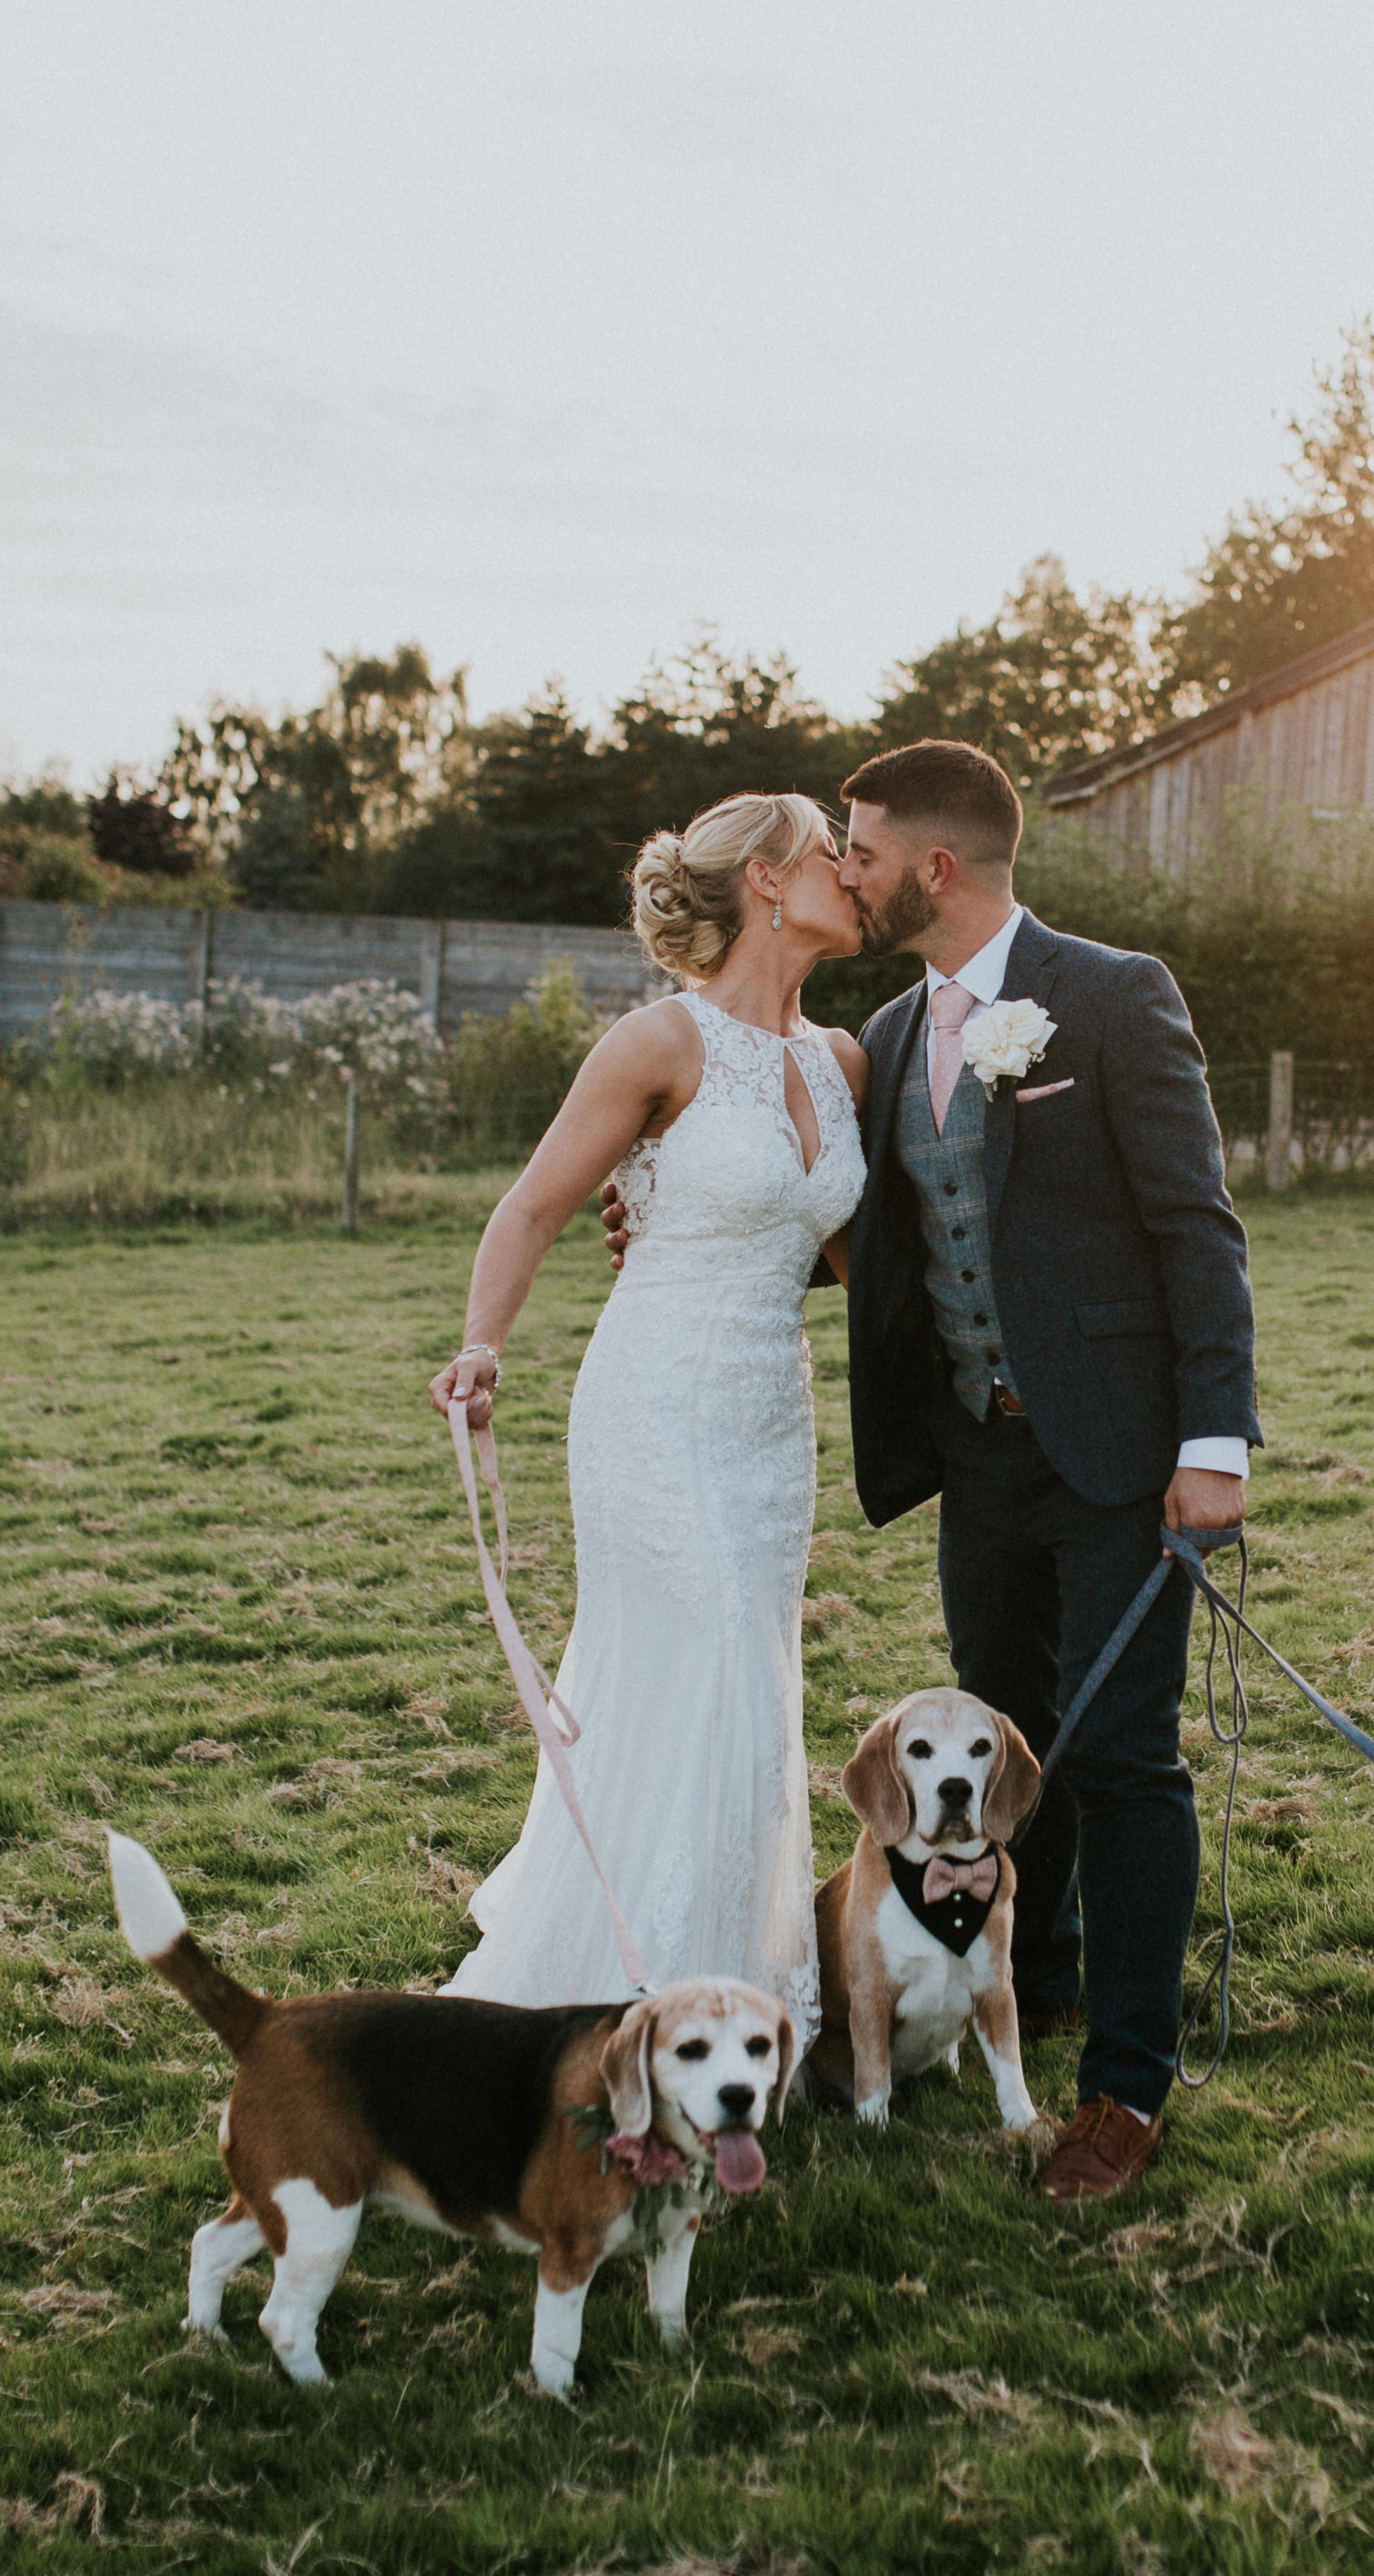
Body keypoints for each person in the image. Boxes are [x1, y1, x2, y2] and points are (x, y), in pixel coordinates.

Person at [827, 740, 1259, 2204]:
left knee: (1125, 1758)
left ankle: (1125, 2088)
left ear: (935, 867)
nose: (846, 869)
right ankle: (1047, 1975)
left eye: (861, 848)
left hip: (1127, 1461)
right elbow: (900, 1232)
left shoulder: (1114, 994)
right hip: (977, 1460)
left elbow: (1198, 1227)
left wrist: (1213, 1445)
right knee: (1018, 1756)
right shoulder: (885, 1036)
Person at [428, 792, 867, 2037]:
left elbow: (854, 1262)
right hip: (654, 1403)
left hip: (769, 1419)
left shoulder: (845, 1063)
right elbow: (530, 1209)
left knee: (746, 1682)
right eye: (831, 853)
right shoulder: (656, 1043)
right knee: (707, 1657)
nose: (853, 872)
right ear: (772, 881)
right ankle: (636, 1993)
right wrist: (481, 1349)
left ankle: (721, 1995)